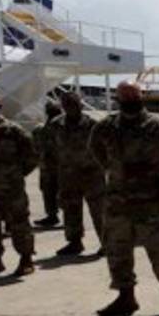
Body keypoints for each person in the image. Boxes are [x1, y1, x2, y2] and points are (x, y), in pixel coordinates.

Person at [88, 82, 159, 316]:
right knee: (117, 251)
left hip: (154, 203)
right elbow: (95, 150)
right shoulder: (106, 127)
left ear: (141, 97)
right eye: (125, 96)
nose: (130, 99)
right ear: (118, 99)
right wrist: (113, 171)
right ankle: (126, 297)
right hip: (119, 203)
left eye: (134, 95)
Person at [0, 87, 37, 277]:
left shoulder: (13, 131)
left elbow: (31, 158)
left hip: (11, 188)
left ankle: (26, 259)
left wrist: (14, 175)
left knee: (19, 223)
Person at [50, 89, 106, 257]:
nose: (70, 107)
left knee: (99, 211)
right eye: (66, 104)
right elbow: (50, 148)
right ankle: (74, 242)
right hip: (68, 175)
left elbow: (105, 149)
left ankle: (107, 243)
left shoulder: (93, 125)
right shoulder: (56, 124)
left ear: (80, 105)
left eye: (74, 104)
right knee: (71, 210)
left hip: (92, 175)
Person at [32, 100, 62, 227]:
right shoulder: (63, 128)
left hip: (48, 167)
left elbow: (34, 148)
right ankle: (65, 217)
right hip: (62, 167)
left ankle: (52, 216)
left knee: (49, 192)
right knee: (63, 192)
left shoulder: (39, 130)